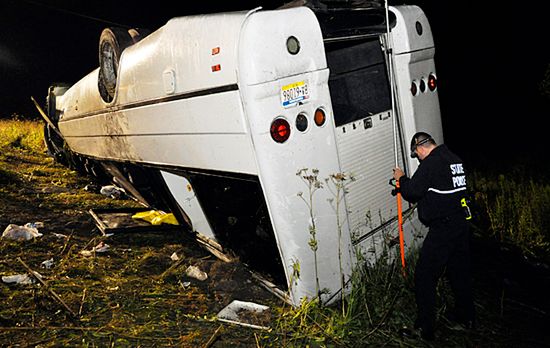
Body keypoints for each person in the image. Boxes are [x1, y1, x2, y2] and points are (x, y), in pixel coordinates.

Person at [392, 132, 475, 341]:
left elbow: (412, 191)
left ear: (421, 148)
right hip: (462, 225)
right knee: (459, 273)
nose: (418, 158)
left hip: (444, 229)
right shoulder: (454, 159)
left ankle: (424, 329)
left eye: (416, 154)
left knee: (424, 276)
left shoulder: (431, 163)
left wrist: (400, 178)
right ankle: (466, 318)